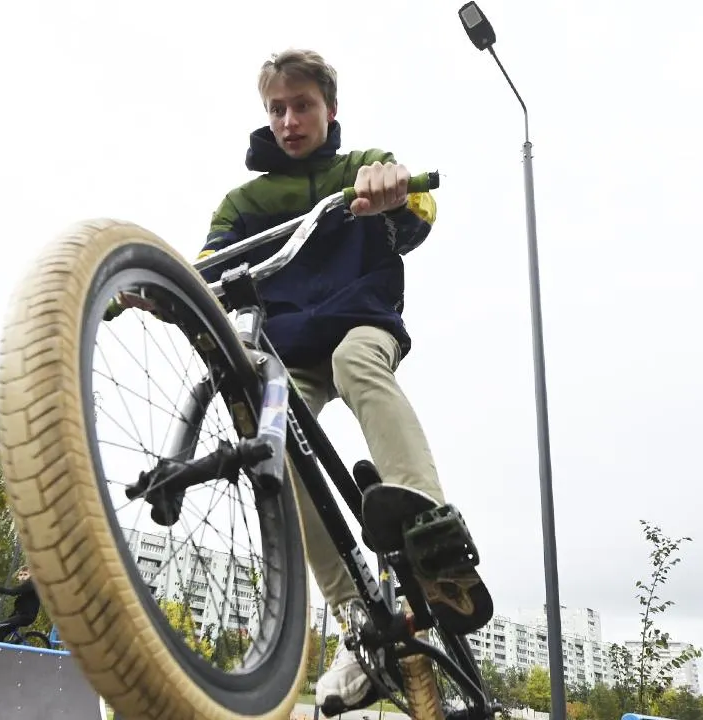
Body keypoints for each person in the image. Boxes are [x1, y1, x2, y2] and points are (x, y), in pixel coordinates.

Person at [196, 48, 487, 709]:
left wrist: (393, 191)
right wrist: (171, 285)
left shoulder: (360, 167)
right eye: (278, 109)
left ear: (330, 111)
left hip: (362, 321)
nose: (291, 120)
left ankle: (434, 533)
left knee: (359, 363)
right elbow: (209, 264)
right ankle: (357, 611)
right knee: (274, 431)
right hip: (292, 347)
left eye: (304, 106)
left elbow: (417, 208)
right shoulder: (245, 201)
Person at [0, 566, 41, 643]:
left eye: (25, 574)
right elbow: (20, 604)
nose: (22, 577)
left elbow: (13, 592)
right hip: (20, 615)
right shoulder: (25, 586)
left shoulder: (30, 583)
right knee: (0, 631)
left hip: (26, 617)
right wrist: (11, 617)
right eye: (20, 575)